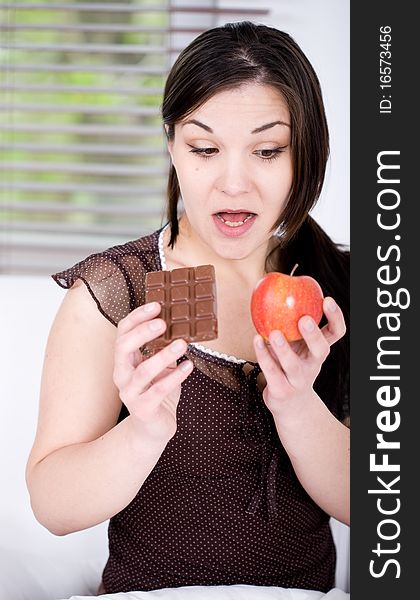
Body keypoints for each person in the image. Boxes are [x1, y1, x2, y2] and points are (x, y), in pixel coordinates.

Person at [26, 21, 350, 596]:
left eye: (268, 150)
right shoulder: (116, 292)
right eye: (204, 149)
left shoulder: (341, 285)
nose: (232, 182)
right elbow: (52, 505)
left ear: (308, 152)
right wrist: (144, 431)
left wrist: (298, 407)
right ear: (172, 145)